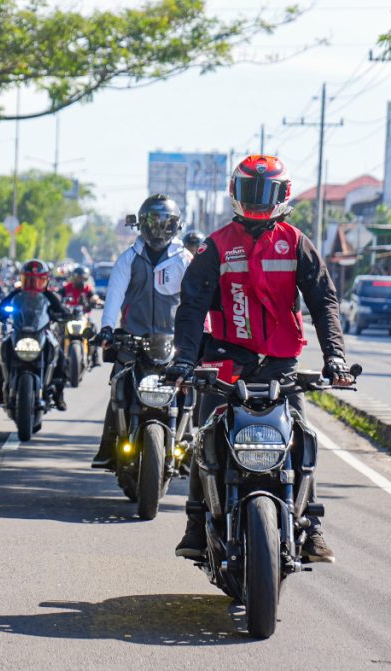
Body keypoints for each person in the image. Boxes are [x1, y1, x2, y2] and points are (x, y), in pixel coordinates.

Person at [166, 155, 353, 563]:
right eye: (250, 190)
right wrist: (184, 361)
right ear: (235, 191)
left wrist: (335, 358)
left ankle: (311, 527)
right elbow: (191, 307)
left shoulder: (296, 242)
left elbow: (324, 301)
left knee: (301, 436)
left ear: (283, 194)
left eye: (266, 192)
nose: (257, 199)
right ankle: (196, 523)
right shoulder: (215, 246)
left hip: (280, 363)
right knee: (205, 438)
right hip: (226, 361)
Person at [91, 194, 192, 470]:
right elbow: (114, 295)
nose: (158, 229)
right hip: (133, 342)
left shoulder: (185, 260)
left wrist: (205, 331)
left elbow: (196, 302)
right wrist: (107, 328)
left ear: (175, 226)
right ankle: (109, 445)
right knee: (119, 385)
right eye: (152, 222)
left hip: (173, 344)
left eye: (165, 223)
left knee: (190, 387)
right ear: (141, 224)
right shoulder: (128, 259)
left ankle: (187, 442)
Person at [0, 259, 70, 410]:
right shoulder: (16, 293)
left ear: (45, 280)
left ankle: (59, 394)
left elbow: (61, 309)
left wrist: (64, 314)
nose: (33, 284)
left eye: (38, 280)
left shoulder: (49, 296)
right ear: (23, 279)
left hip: (42, 333)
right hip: (19, 331)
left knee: (60, 354)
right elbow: (2, 306)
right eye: (29, 280)